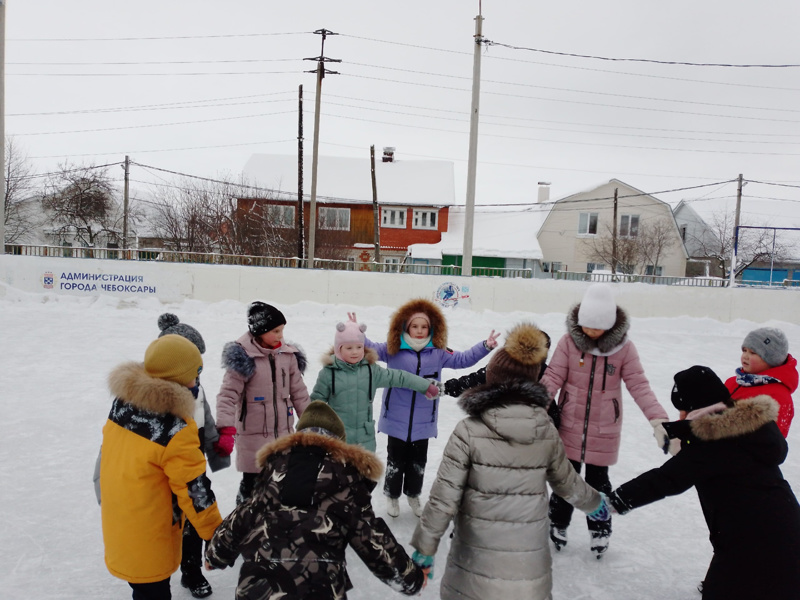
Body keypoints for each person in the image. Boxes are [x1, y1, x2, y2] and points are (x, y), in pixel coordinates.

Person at [410, 323, 610, 600]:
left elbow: (444, 498)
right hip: (527, 572)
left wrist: (424, 547)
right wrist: (595, 503)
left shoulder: (468, 431)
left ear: (491, 379)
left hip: (473, 569)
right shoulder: (545, 430)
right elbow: (568, 483)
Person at [608, 365, 800, 600]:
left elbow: (667, 479)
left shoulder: (713, 443)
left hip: (749, 538)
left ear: (696, 408)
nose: (680, 415)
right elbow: (700, 458)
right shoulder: (746, 427)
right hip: (784, 523)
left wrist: (614, 501)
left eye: (683, 409)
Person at [205, 400, 431, 600]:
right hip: (319, 587)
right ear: (339, 442)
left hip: (259, 586)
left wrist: (216, 555)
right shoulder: (347, 478)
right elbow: (371, 538)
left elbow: (243, 516)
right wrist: (411, 579)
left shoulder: (274, 471)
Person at [540, 283, 670, 556]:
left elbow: (639, 385)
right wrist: (535, 407)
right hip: (569, 424)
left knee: (598, 483)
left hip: (605, 428)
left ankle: (600, 529)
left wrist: (658, 420)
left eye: (597, 327)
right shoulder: (568, 343)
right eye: (586, 325)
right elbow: (552, 377)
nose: (591, 332)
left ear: (611, 325)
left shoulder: (624, 349)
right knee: (565, 479)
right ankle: (557, 523)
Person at [99, 334, 223, 600]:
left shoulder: (123, 405)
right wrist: (217, 537)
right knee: (153, 593)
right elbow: (194, 490)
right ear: (175, 379)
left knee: (142, 589)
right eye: (194, 375)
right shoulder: (176, 428)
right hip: (151, 530)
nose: (196, 382)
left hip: (122, 515)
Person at [361, 299, 498, 518]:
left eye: (423, 327)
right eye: (414, 326)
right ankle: (392, 495)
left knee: (417, 463)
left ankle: (414, 495)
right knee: (395, 461)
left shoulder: (438, 352)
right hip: (396, 416)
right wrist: (356, 333)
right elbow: (368, 348)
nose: (419, 331)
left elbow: (463, 359)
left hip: (423, 420)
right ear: (406, 327)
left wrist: (485, 347)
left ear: (431, 328)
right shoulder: (392, 349)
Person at [156, 313, 230, 599]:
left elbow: (205, 416)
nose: (197, 367)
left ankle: (191, 571)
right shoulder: (155, 393)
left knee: (194, 513)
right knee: (166, 519)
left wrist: (215, 446)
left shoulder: (194, 384)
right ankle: (158, 572)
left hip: (192, 452)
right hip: (163, 460)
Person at [215, 301, 311, 504]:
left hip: (284, 435)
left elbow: (299, 393)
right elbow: (227, 396)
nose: (280, 336)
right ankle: (244, 522)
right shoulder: (244, 358)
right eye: (275, 331)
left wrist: (311, 423)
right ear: (260, 331)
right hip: (253, 439)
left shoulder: (288, 356)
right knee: (252, 486)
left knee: (282, 484)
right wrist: (225, 429)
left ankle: (275, 524)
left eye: (282, 330)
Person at [310, 319, 440, 451]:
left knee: (364, 471)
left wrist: (425, 385)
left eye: (359, 347)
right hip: (338, 438)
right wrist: (305, 431)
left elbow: (400, 377)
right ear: (339, 349)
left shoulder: (371, 371)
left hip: (365, 440)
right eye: (349, 348)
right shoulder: (329, 373)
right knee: (337, 470)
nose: (355, 352)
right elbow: (315, 404)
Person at [723, 327, 797, 437]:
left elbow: (771, 442)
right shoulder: (732, 382)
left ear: (771, 360)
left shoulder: (778, 396)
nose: (745, 356)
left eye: (753, 352)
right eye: (744, 350)